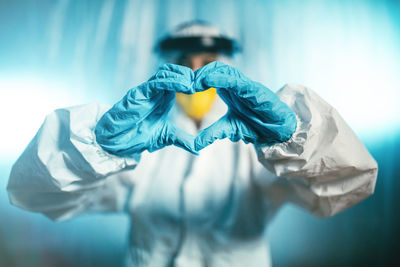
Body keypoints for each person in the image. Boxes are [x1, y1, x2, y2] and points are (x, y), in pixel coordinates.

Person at [7, 21, 378, 267]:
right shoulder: (139, 140)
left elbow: (348, 186)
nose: (197, 75)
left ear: (227, 67)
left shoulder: (264, 144)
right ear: (169, 68)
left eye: (208, 62)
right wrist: (98, 149)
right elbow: (35, 194)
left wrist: (298, 138)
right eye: (186, 62)